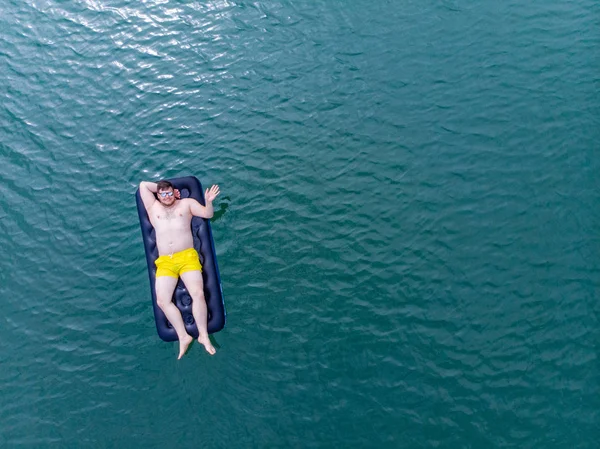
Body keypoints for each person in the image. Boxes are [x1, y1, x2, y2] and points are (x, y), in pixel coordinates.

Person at [139, 179, 220, 359]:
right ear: (158, 196)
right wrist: (163, 188)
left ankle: (203, 336)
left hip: (187, 257)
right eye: (163, 194)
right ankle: (183, 337)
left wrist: (208, 201)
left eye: (170, 193)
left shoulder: (186, 204)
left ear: (175, 192)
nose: (167, 197)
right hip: (165, 262)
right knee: (162, 301)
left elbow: (207, 214)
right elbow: (143, 185)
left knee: (198, 293)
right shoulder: (153, 207)